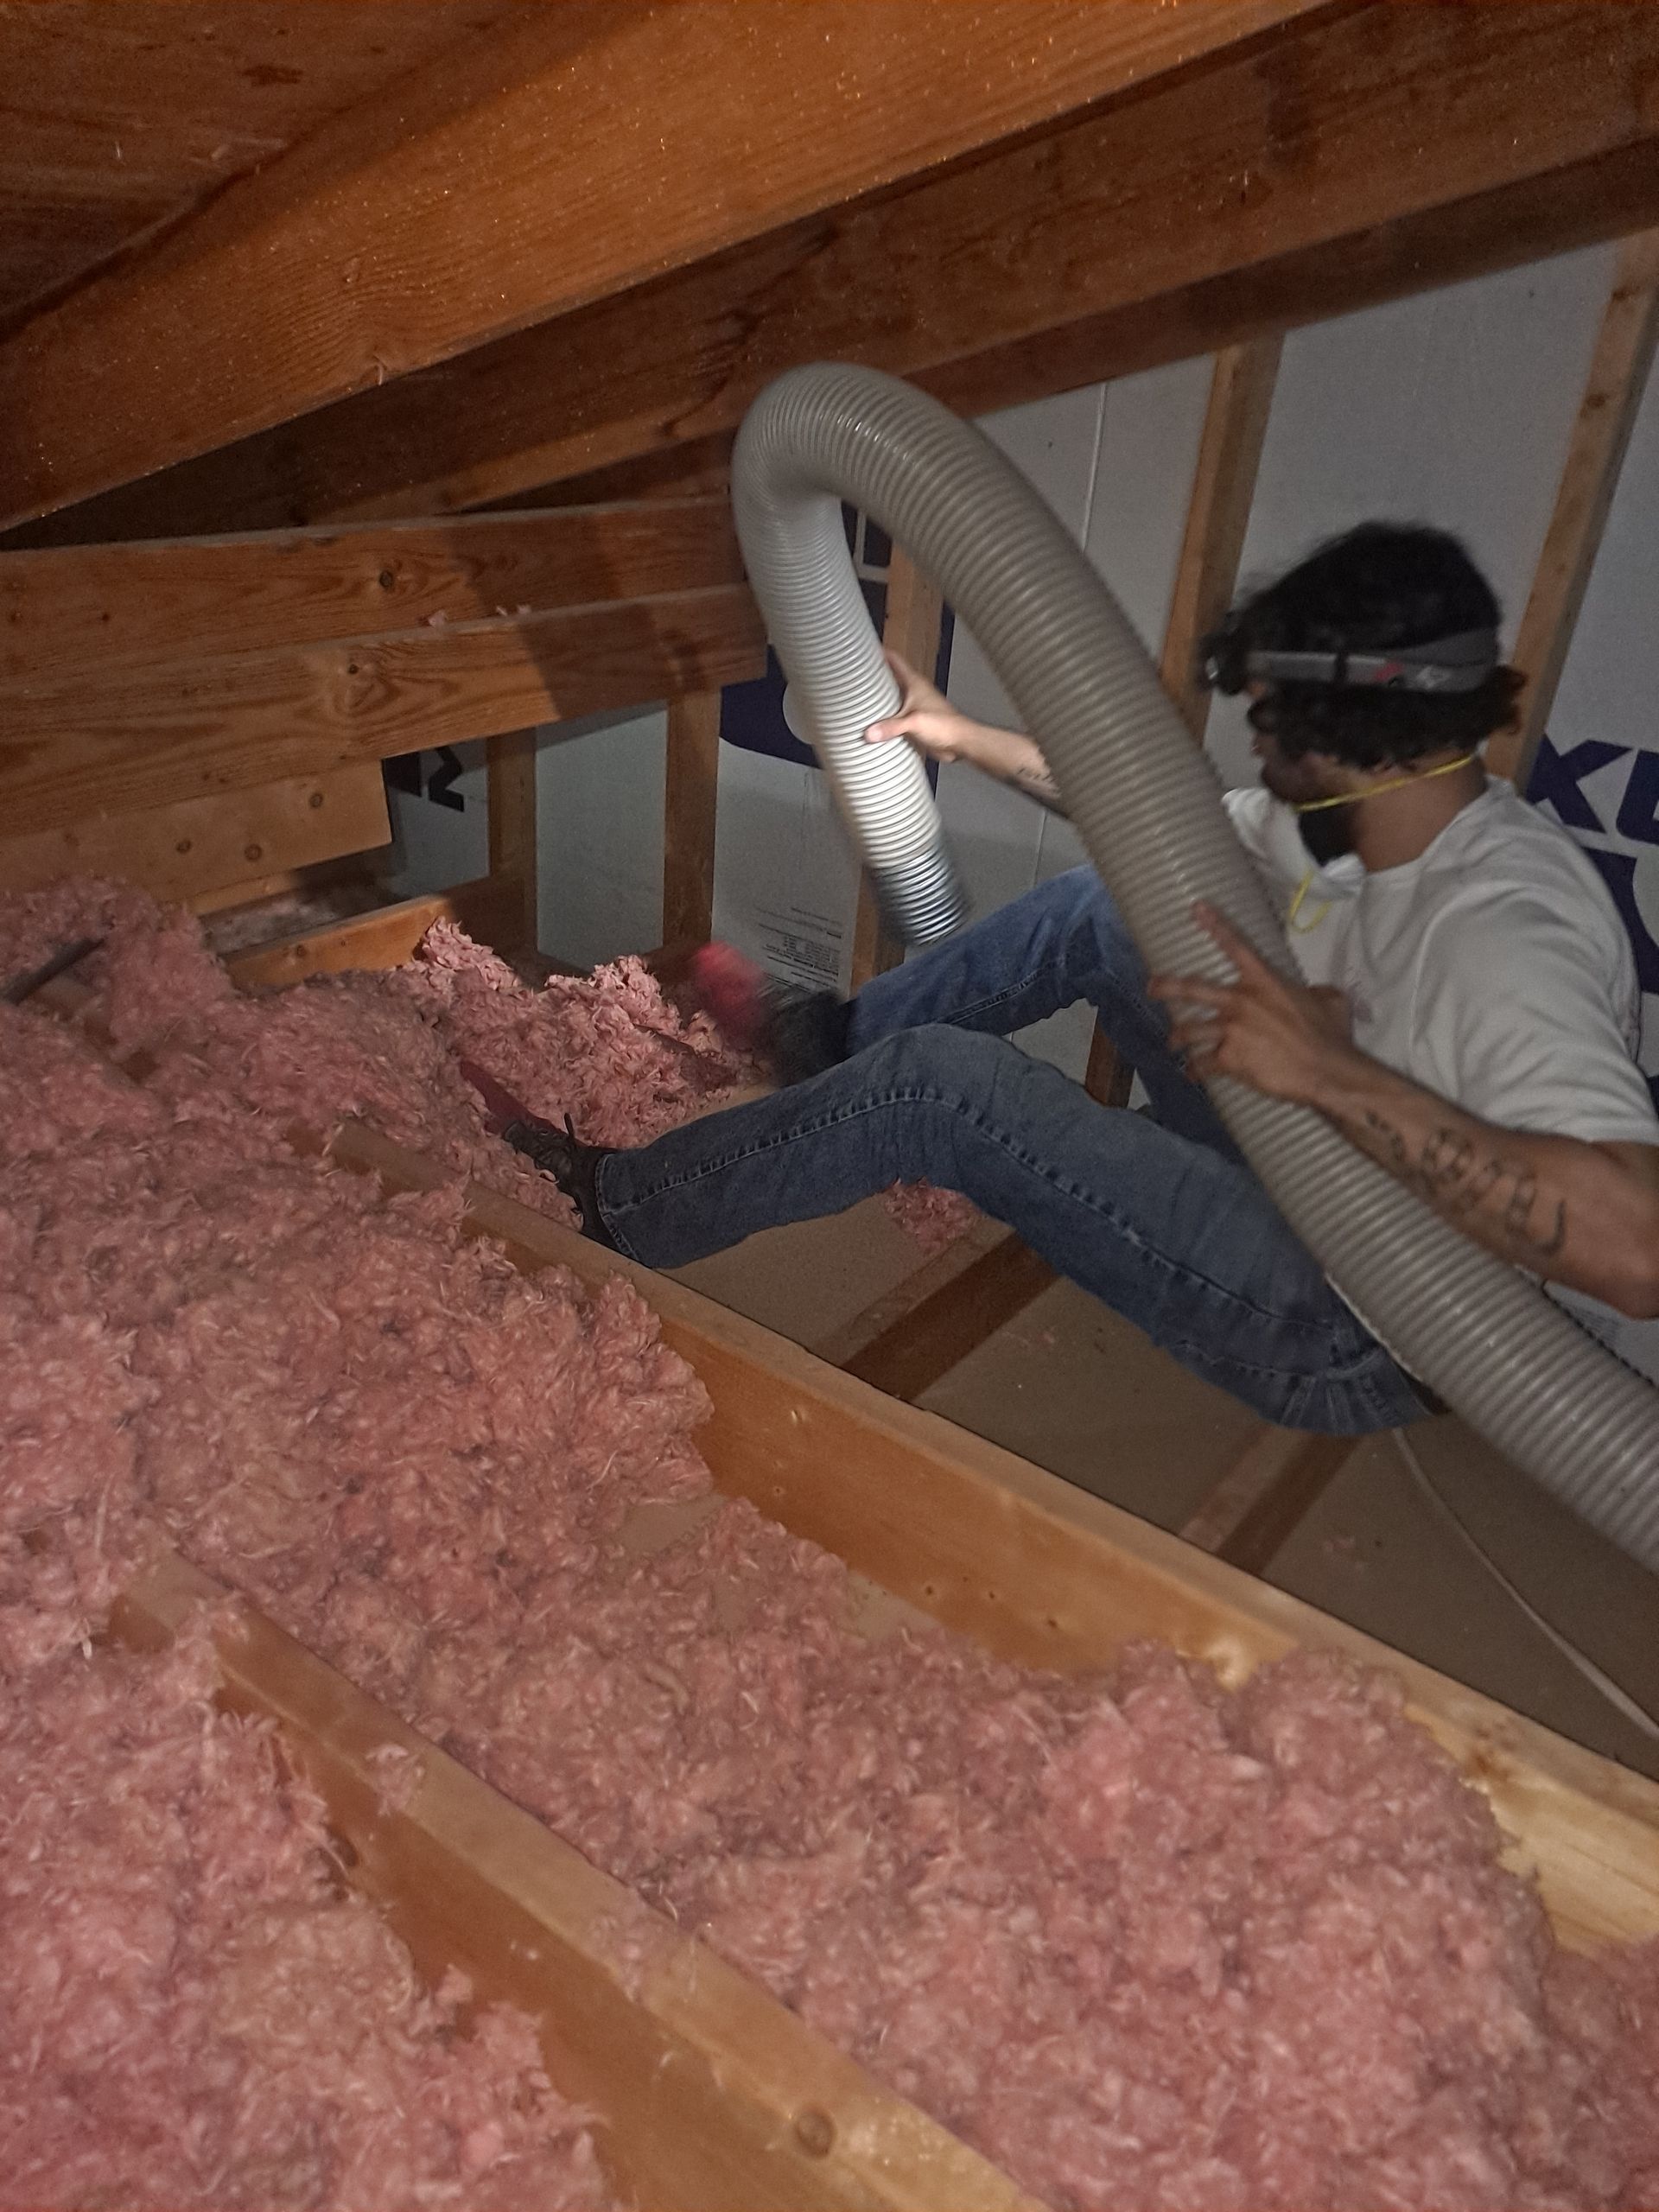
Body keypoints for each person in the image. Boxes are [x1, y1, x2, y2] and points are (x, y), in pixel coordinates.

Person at [479, 524, 1659, 1429]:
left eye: (1267, 725)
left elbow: (1639, 1250)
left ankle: (622, 1208)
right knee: (1106, 909)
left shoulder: (1505, 932)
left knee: (951, 1090)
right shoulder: (1372, 811)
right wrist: (962, 740)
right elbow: (1165, 825)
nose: (1255, 748)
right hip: (1315, 1164)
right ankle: (832, 1048)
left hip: (1355, 1325)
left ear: (1344, 730)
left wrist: (1332, 1074)